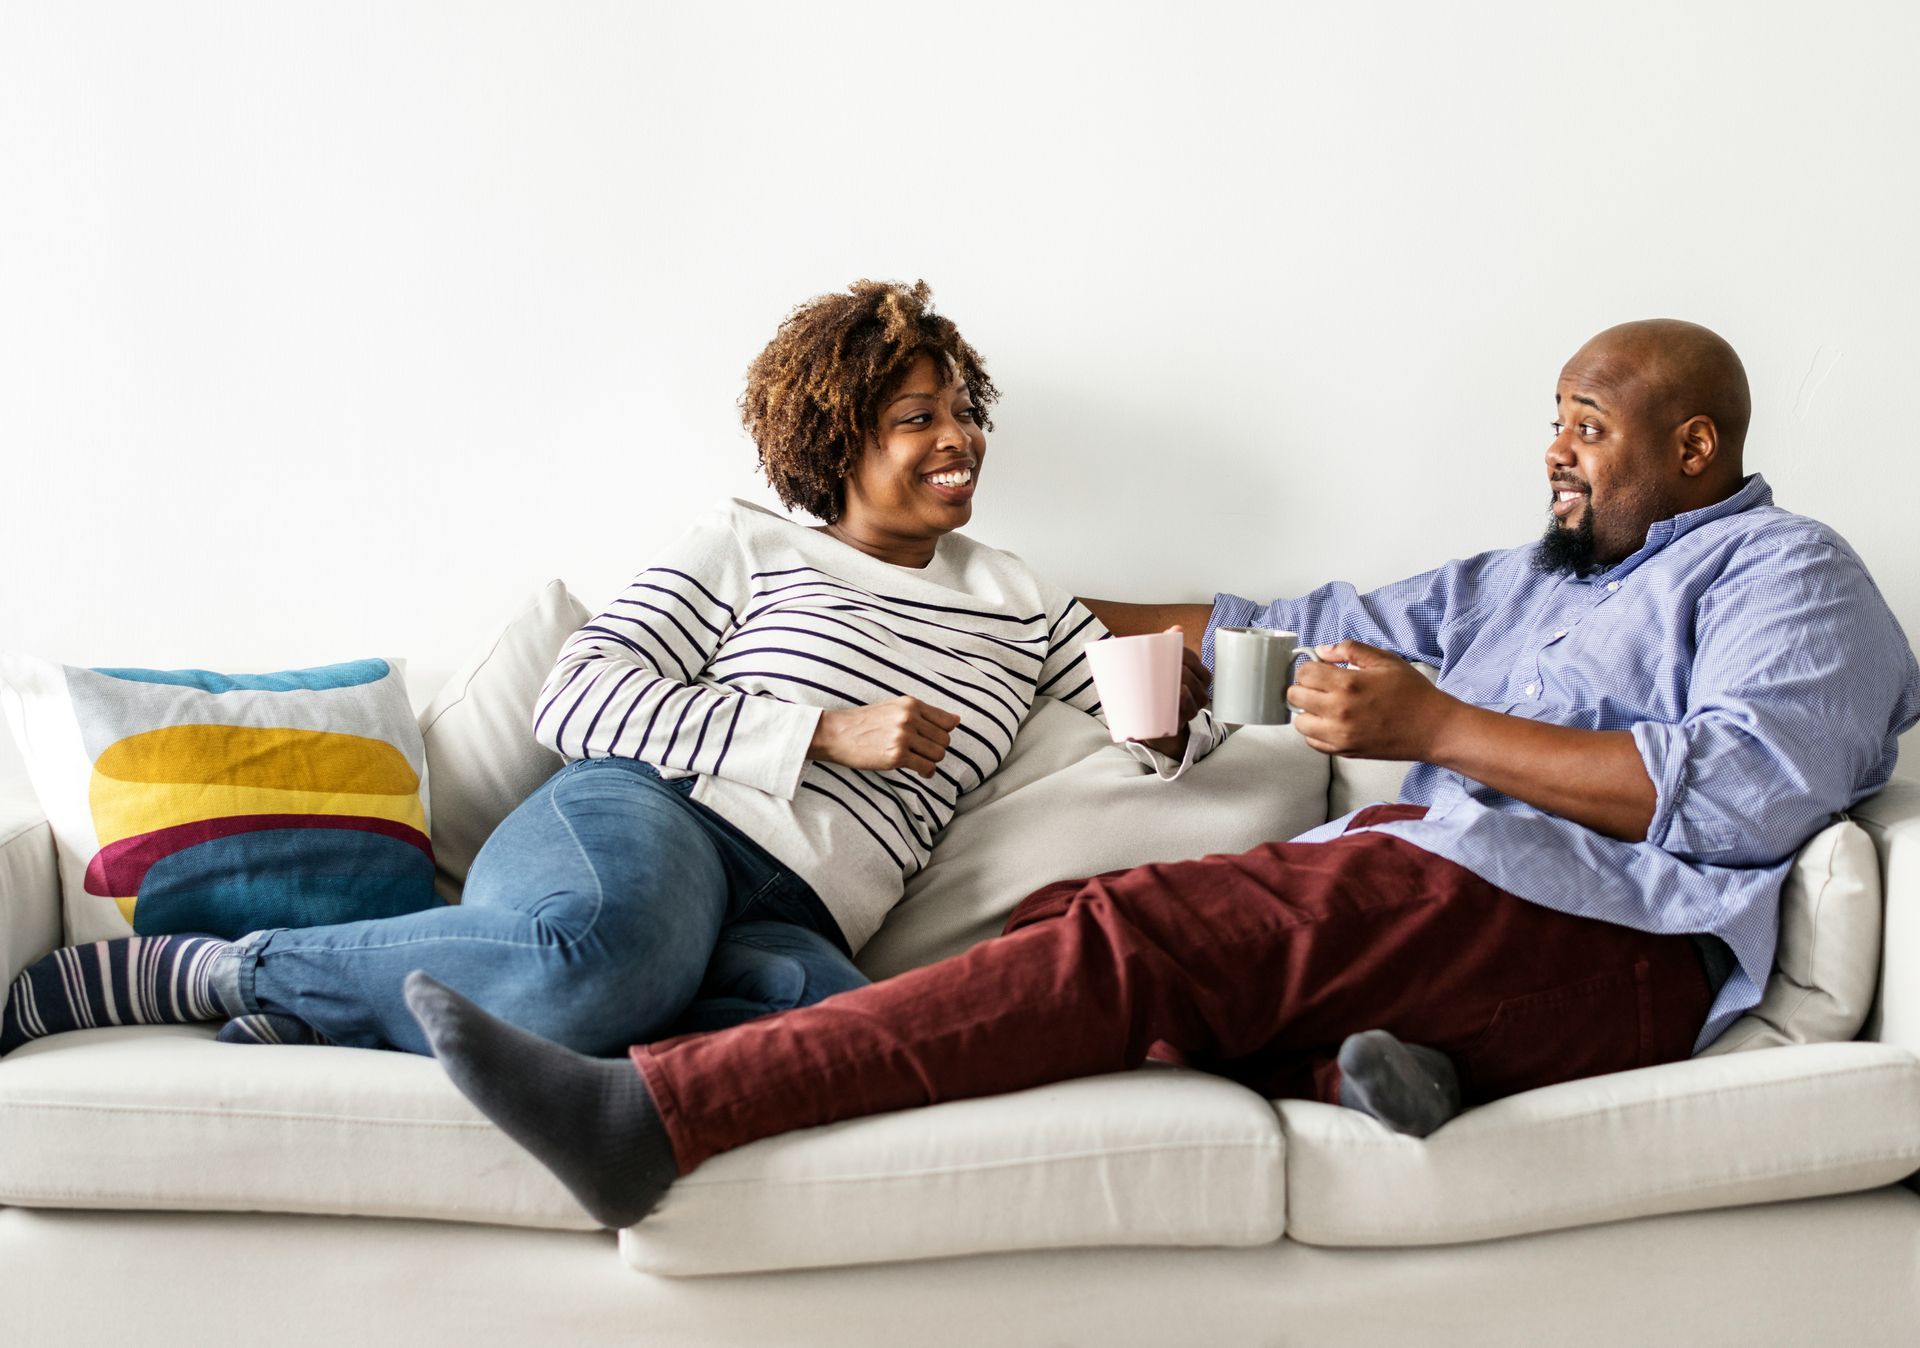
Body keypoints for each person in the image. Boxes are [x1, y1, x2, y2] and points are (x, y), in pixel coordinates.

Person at [398, 318, 1919, 1230]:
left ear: (1700, 444)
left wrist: (1441, 729)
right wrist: (1019, 602)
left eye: (1590, 426)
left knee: (1138, 938)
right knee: (1157, 955)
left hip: (1601, 932)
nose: (1557, 455)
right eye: (1555, 423)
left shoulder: (1791, 573)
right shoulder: (1526, 581)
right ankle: (1378, 1069)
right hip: (1458, 916)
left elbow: (1744, 790)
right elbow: (1291, 626)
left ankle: (649, 1120)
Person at [0, 279, 1219, 1060]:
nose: (958, 438)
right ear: (840, 436)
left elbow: (1138, 712)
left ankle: (359, 1014)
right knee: (596, 962)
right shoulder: (748, 544)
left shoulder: (1026, 602)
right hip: (649, 822)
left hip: (806, 910)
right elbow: (576, 697)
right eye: (916, 416)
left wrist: (1179, 735)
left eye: (961, 410)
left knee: (857, 1048)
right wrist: (821, 733)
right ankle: (213, 967)